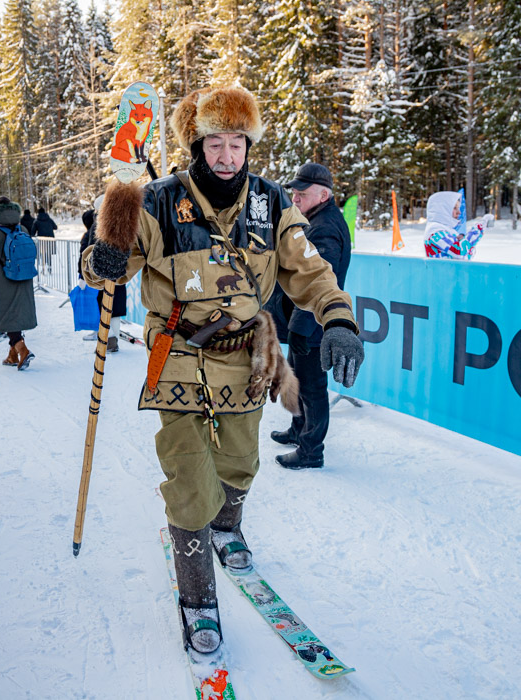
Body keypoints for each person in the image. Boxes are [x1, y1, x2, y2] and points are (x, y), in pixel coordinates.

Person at [82, 85, 364, 654]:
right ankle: (198, 598)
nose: (228, 155)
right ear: (199, 143)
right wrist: (101, 256)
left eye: (239, 143)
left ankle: (228, 527)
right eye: (217, 142)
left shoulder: (271, 203)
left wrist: (338, 319)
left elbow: (310, 271)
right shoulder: (159, 200)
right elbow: (106, 263)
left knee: (240, 461)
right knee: (189, 478)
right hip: (177, 351)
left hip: (246, 354)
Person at [268, 162, 352, 469]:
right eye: (294, 192)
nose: (296, 198)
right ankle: (297, 430)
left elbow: (319, 283)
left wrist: (302, 327)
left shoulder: (324, 227)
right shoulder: (314, 220)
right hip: (302, 322)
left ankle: (311, 450)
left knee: (313, 387)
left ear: (324, 194)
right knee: (298, 380)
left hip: (313, 325)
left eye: (303, 193)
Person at [0, 197, 36, 369]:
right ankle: (12, 356)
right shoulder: (23, 229)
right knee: (16, 315)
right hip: (24, 277)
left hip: (3, 279)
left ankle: (22, 349)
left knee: (6, 316)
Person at [79, 199, 125, 352]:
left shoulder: (98, 225)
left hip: (103, 273)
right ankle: (113, 340)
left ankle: (107, 341)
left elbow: (91, 250)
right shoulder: (122, 223)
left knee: (104, 306)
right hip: (120, 272)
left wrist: (85, 273)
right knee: (116, 308)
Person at [423, 191, 491, 260]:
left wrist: (464, 241)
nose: (459, 212)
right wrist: (478, 229)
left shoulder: (449, 231)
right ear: (443, 210)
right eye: (455, 208)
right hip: (443, 270)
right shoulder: (435, 232)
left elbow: (466, 257)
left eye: (458, 208)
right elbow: (460, 252)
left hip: (452, 270)